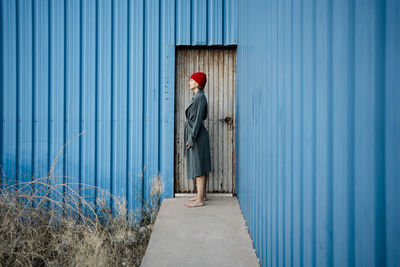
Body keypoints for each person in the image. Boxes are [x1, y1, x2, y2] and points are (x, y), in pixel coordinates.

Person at [183, 72, 212, 208]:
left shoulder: (200, 98)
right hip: (196, 133)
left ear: (197, 83)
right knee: (199, 165)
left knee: (199, 167)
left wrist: (191, 137)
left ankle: (200, 200)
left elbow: (198, 120)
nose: (189, 82)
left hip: (197, 135)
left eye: (191, 80)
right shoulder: (197, 97)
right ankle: (201, 195)